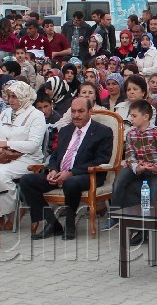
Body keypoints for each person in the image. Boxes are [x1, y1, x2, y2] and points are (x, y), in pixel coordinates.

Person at [18, 96, 113, 240]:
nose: (76, 115)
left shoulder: (102, 131)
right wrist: (53, 169)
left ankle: (70, 224)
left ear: (90, 111)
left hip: (87, 175)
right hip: (60, 173)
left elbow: (101, 159)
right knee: (27, 180)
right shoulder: (65, 130)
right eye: (73, 111)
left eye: (80, 111)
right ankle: (51, 223)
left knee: (71, 182)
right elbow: (55, 156)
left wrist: (71, 173)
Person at [0, 79, 49, 225]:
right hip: (4, 157)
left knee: (0, 174)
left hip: (28, 158)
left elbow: (33, 145)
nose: (10, 100)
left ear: (24, 97)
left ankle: (10, 211)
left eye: (14, 97)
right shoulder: (5, 113)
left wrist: (7, 143)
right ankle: (0, 214)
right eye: (9, 96)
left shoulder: (36, 115)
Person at [111, 99, 157, 245]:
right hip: (138, 168)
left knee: (153, 195)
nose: (130, 119)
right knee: (120, 181)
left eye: (133, 116)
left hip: (153, 171)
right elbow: (130, 155)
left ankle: (148, 231)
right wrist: (136, 166)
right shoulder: (131, 134)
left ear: (145, 117)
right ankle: (115, 215)